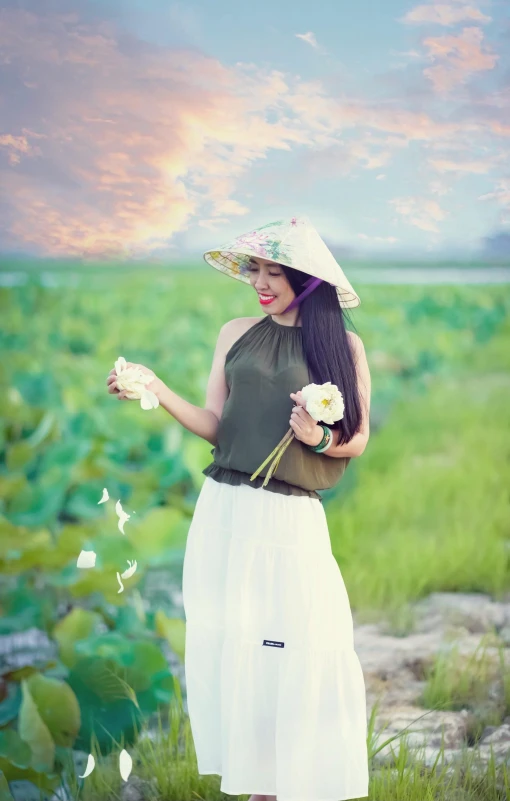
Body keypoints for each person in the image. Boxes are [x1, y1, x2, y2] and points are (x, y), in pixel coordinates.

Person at [106, 215, 371, 801]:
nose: (261, 282)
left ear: (308, 281)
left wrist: (318, 440)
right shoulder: (235, 333)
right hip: (225, 510)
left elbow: (357, 436)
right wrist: (153, 387)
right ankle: (258, 786)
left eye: (275, 272)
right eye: (256, 269)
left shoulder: (341, 347)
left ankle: (293, 780)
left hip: (289, 517)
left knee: (292, 644)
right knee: (238, 646)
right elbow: (215, 425)